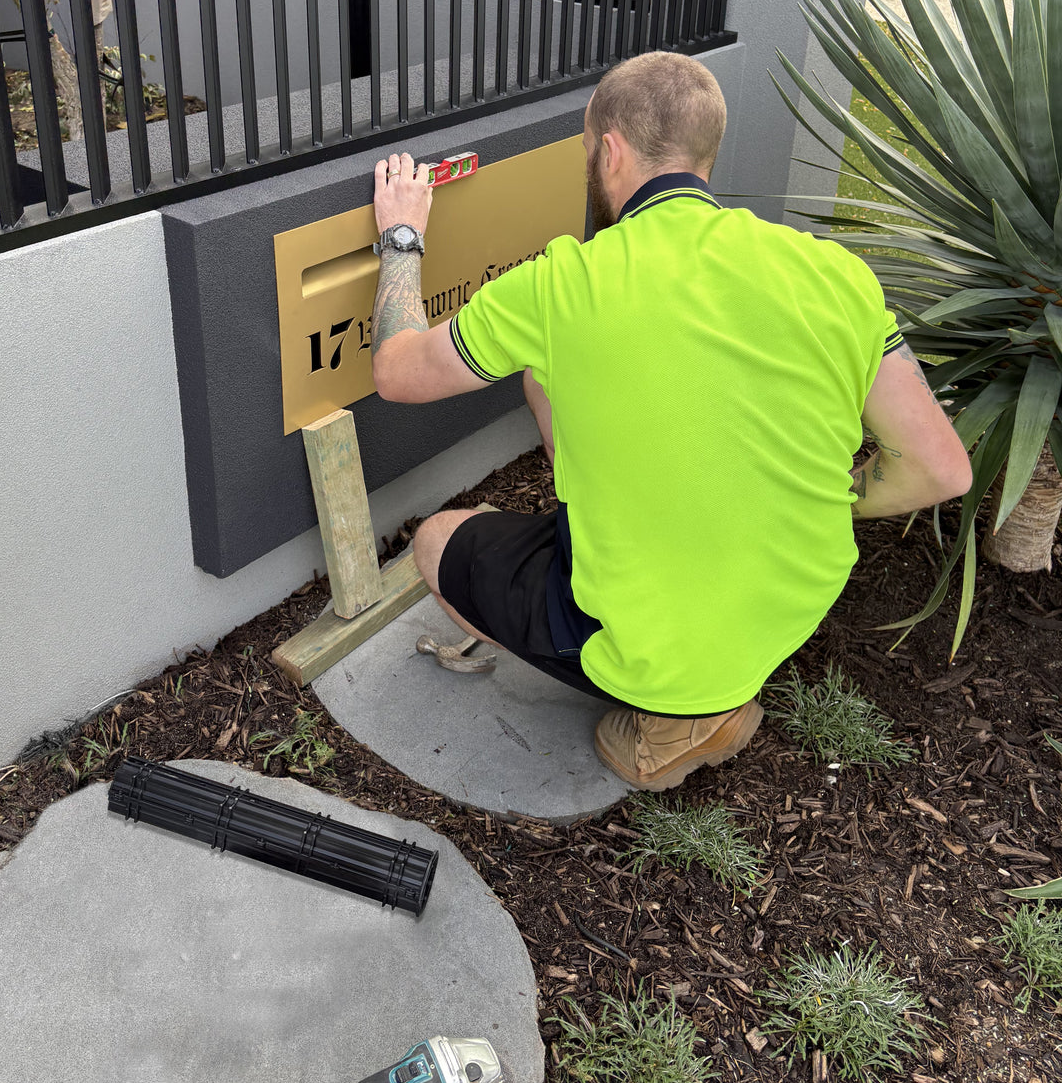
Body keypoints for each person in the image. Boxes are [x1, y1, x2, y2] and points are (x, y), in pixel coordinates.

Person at [367, 51, 972, 791]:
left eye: (588, 149)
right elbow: (940, 468)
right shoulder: (833, 273)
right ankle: (709, 666)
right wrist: (830, 496)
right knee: (543, 374)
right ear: (704, 157)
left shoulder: (566, 283)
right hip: (786, 610)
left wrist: (401, 236)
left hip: (665, 649)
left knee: (437, 544)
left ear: (610, 149)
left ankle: (672, 725)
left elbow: (396, 371)